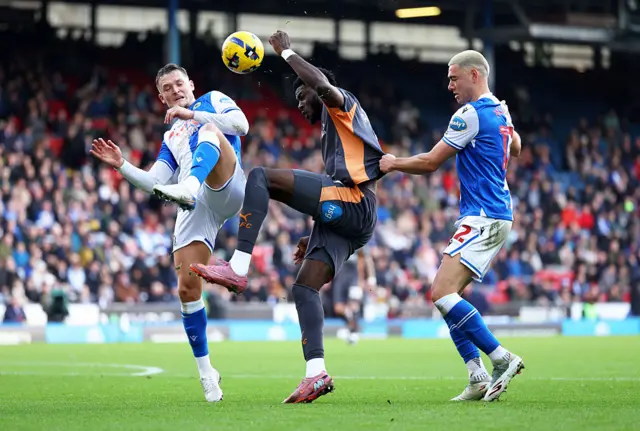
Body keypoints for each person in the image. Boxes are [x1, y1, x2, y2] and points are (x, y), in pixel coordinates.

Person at [189, 30, 385, 404]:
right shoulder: (333, 130)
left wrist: (287, 52)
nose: (299, 102)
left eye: (301, 94)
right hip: (353, 219)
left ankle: (239, 267)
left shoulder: (342, 105)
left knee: (260, 176)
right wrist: (315, 235)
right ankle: (316, 374)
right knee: (304, 288)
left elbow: (323, 84)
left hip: (354, 201)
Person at [90, 63, 249, 403]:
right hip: (194, 203)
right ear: (161, 98)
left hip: (226, 185)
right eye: (167, 88)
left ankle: (189, 186)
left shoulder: (212, 101)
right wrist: (123, 166)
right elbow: (157, 182)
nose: (175, 90)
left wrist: (192, 114)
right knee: (187, 288)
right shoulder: (170, 136)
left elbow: (242, 125)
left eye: (179, 83)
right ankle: (207, 374)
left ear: (191, 84)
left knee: (205, 129)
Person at [379, 50, 524, 402]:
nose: (449, 85)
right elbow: (516, 147)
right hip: (495, 214)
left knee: (440, 293)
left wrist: (393, 163)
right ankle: (476, 375)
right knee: (448, 297)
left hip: (483, 215)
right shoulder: (499, 111)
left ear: (474, 75)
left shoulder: (470, 114)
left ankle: (501, 358)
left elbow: (430, 162)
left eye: (454, 78)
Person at [327, 247, 376, 345]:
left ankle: (354, 332)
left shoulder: (357, 238)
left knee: (354, 305)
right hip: (339, 276)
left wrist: (368, 278)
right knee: (338, 308)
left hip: (354, 276)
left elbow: (364, 258)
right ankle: (352, 328)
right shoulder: (336, 239)